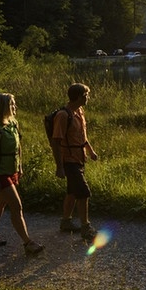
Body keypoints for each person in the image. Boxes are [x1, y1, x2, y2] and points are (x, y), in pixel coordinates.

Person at [0, 93, 44, 255]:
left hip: (12, 170)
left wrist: (20, 167)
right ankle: (27, 243)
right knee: (16, 206)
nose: (15, 107)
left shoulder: (13, 123)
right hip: (0, 173)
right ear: (2, 107)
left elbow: (18, 147)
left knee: (0, 204)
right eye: (12, 105)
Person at [50, 83, 99, 242]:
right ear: (79, 96)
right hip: (68, 160)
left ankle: (66, 222)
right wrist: (60, 167)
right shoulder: (63, 116)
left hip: (79, 158)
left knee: (72, 191)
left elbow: (82, 137)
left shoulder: (79, 112)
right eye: (86, 95)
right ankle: (86, 227)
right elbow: (56, 142)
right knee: (83, 192)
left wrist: (90, 152)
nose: (88, 98)